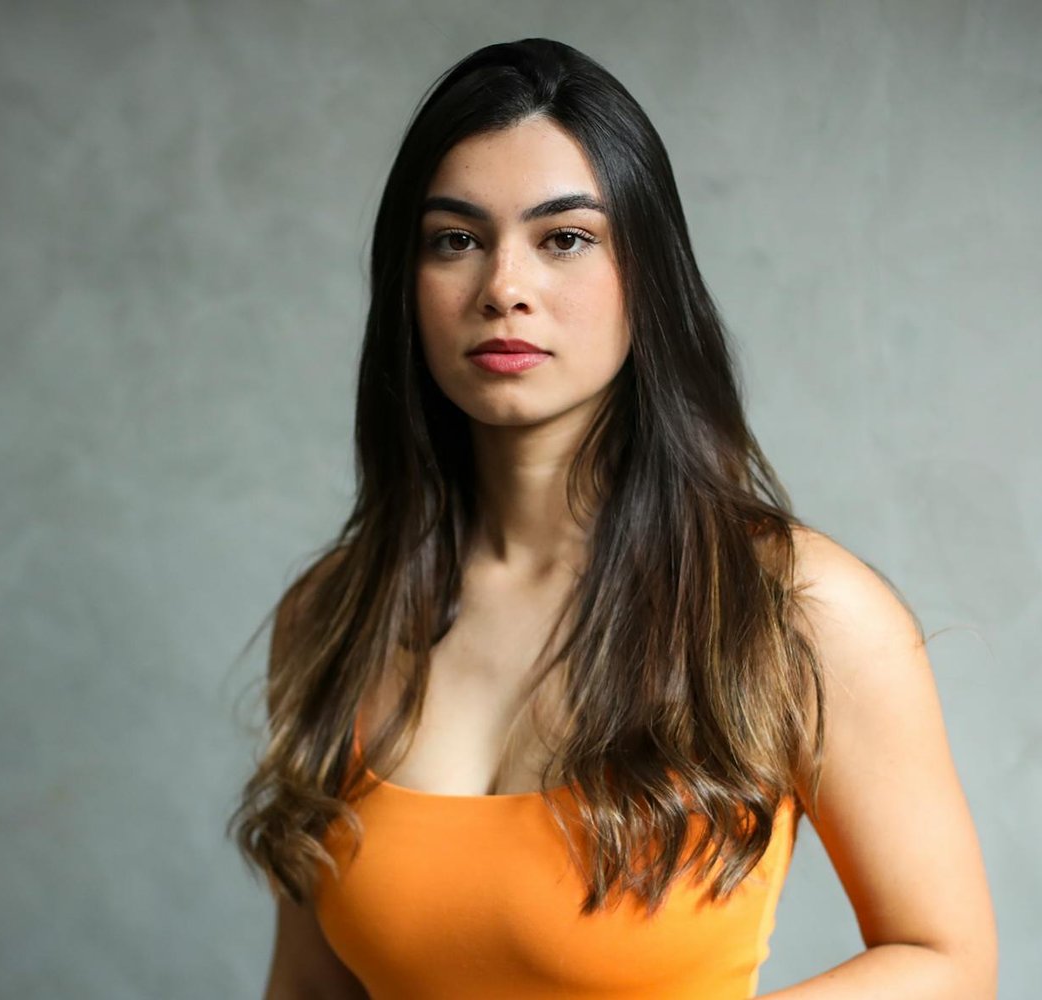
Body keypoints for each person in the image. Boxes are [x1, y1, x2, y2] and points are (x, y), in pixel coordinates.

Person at [231, 37, 997, 999]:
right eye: (456, 239)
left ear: (649, 275)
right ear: (408, 283)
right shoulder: (335, 617)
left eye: (565, 238)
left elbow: (947, 962)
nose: (504, 287)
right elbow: (308, 991)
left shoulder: (795, 609)